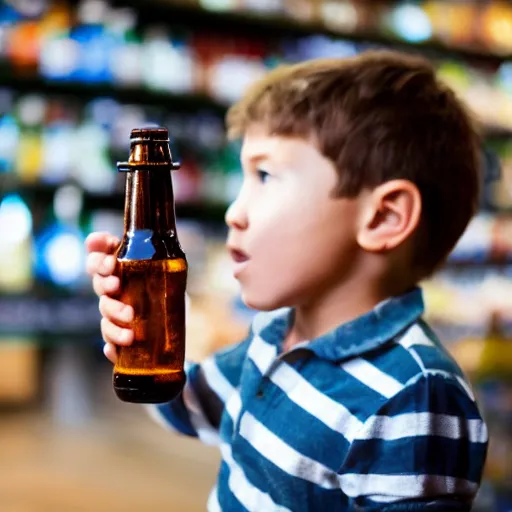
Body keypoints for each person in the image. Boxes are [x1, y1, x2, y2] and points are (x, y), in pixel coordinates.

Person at [85, 50, 488, 511]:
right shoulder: (274, 335)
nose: (234, 212)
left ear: (383, 216)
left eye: (265, 175)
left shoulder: (414, 398)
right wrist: (140, 336)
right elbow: (186, 405)